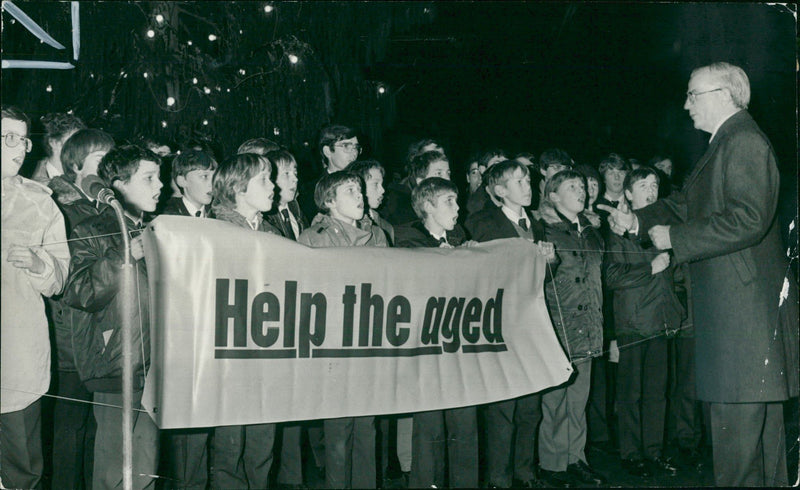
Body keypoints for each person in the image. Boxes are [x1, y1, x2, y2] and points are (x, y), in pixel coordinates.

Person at [600, 61, 798, 487]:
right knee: (760, 451)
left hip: (743, 327)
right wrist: (636, 221)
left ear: (723, 95)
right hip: (744, 327)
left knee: (740, 456)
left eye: (693, 94)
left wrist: (674, 237)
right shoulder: (724, 143)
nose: (686, 104)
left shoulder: (742, 141)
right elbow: (688, 208)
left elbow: (748, 218)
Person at [63, 144, 163, 490]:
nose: (159, 185)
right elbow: (81, 293)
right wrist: (124, 257)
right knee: (113, 463)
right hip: (116, 365)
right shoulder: (90, 230)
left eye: (159, 177)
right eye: (149, 177)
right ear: (119, 185)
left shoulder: (160, 231)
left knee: (146, 461)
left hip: (155, 366)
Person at [465, 160, 556, 488]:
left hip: (531, 325)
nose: (527, 185)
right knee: (503, 408)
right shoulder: (480, 223)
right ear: (500, 190)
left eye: (528, 179)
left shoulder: (538, 224)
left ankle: (525, 473)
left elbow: (542, 277)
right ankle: (499, 479)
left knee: (530, 406)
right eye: (518, 181)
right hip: (500, 325)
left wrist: (550, 261)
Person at [298, 171, 387, 489]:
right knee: (337, 430)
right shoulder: (313, 238)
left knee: (367, 426)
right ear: (329, 201)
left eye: (360, 189)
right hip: (334, 343)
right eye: (350, 190)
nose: (360, 195)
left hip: (369, 340)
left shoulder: (377, 235)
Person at [1, 105, 71, 489]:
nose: (21, 148)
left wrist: (37, 263)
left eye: (24, 139)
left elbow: (60, 277)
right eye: (9, 137)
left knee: (22, 469)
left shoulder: (40, 202)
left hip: (17, 360)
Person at [395, 177, 479, 488]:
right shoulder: (407, 240)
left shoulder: (461, 238)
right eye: (449, 202)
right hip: (427, 346)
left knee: (465, 421)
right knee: (430, 425)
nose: (458, 209)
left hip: (460, 344)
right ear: (428, 206)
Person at [603, 167, 683, 478]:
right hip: (633, 323)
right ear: (628, 194)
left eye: (655, 185)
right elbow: (611, 276)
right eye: (642, 184)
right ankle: (631, 454)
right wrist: (649, 268)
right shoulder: (616, 230)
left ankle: (653, 452)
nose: (650, 190)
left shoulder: (662, 228)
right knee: (631, 393)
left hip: (660, 321)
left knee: (656, 393)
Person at [49, 128, 115, 489]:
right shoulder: (60, 207)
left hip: (104, 336)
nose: (107, 167)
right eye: (98, 159)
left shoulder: (107, 205)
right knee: (71, 426)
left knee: (97, 428)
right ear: (76, 165)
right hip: (73, 334)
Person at [209, 152, 279, 488]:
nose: (273, 186)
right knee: (230, 444)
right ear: (239, 188)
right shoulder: (216, 231)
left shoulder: (271, 231)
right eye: (264, 179)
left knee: (263, 440)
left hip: (266, 348)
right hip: (231, 353)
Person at [537, 169, 607, 487]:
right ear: (553, 196)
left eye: (581, 186)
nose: (581, 191)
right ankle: (552, 464)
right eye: (571, 186)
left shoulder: (593, 233)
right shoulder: (545, 231)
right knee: (555, 401)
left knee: (579, 401)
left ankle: (575, 458)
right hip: (558, 326)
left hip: (589, 328)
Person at [159, 148, 217, 490]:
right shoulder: (168, 217)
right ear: (181, 181)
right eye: (202, 177)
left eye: (213, 175)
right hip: (180, 331)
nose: (211, 183)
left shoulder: (219, 217)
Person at [299, 125, 361, 219]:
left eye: (356, 147)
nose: (354, 153)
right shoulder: (311, 191)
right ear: (327, 151)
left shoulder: (363, 184)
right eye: (346, 146)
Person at [382, 150, 451, 227]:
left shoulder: (449, 205)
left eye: (448, 173)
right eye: (439, 173)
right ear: (421, 182)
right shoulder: (401, 212)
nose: (447, 179)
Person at [346, 159, 394, 245]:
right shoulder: (342, 225)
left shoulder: (386, 227)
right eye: (375, 184)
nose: (382, 190)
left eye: (382, 185)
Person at [29, 112, 86, 184]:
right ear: (54, 143)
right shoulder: (39, 187)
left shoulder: (81, 178)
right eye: (73, 142)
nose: (80, 149)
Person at [162, 148, 217, 218]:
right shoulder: (169, 217)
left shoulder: (218, 214)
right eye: (204, 176)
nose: (213, 184)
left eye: (214, 177)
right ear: (182, 181)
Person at [531, 148, 573, 220]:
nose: (562, 173)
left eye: (566, 168)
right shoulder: (533, 198)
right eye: (557, 167)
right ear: (543, 170)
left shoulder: (571, 195)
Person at [464, 148, 507, 216]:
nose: (503, 170)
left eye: (506, 165)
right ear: (483, 169)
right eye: (497, 164)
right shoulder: (477, 203)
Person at [592, 153, 630, 225]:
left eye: (621, 173)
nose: (617, 178)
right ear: (604, 178)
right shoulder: (593, 206)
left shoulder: (634, 204)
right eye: (611, 173)